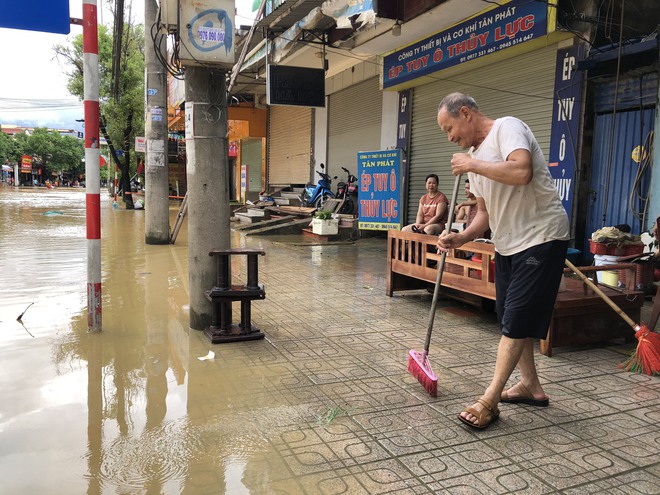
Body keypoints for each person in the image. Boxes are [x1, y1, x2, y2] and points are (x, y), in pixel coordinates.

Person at [436, 92, 569, 429]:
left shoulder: (507, 128)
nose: (449, 137)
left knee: (516, 320)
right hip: (508, 243)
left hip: (541, 237)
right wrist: (462, 237)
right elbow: (485, 213)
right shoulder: (474, 157)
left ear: (465, 113)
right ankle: (529, 386)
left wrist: (471, 165)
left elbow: (521, 171)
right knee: (510, 316)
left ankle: (489, 400)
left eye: (449, 128)